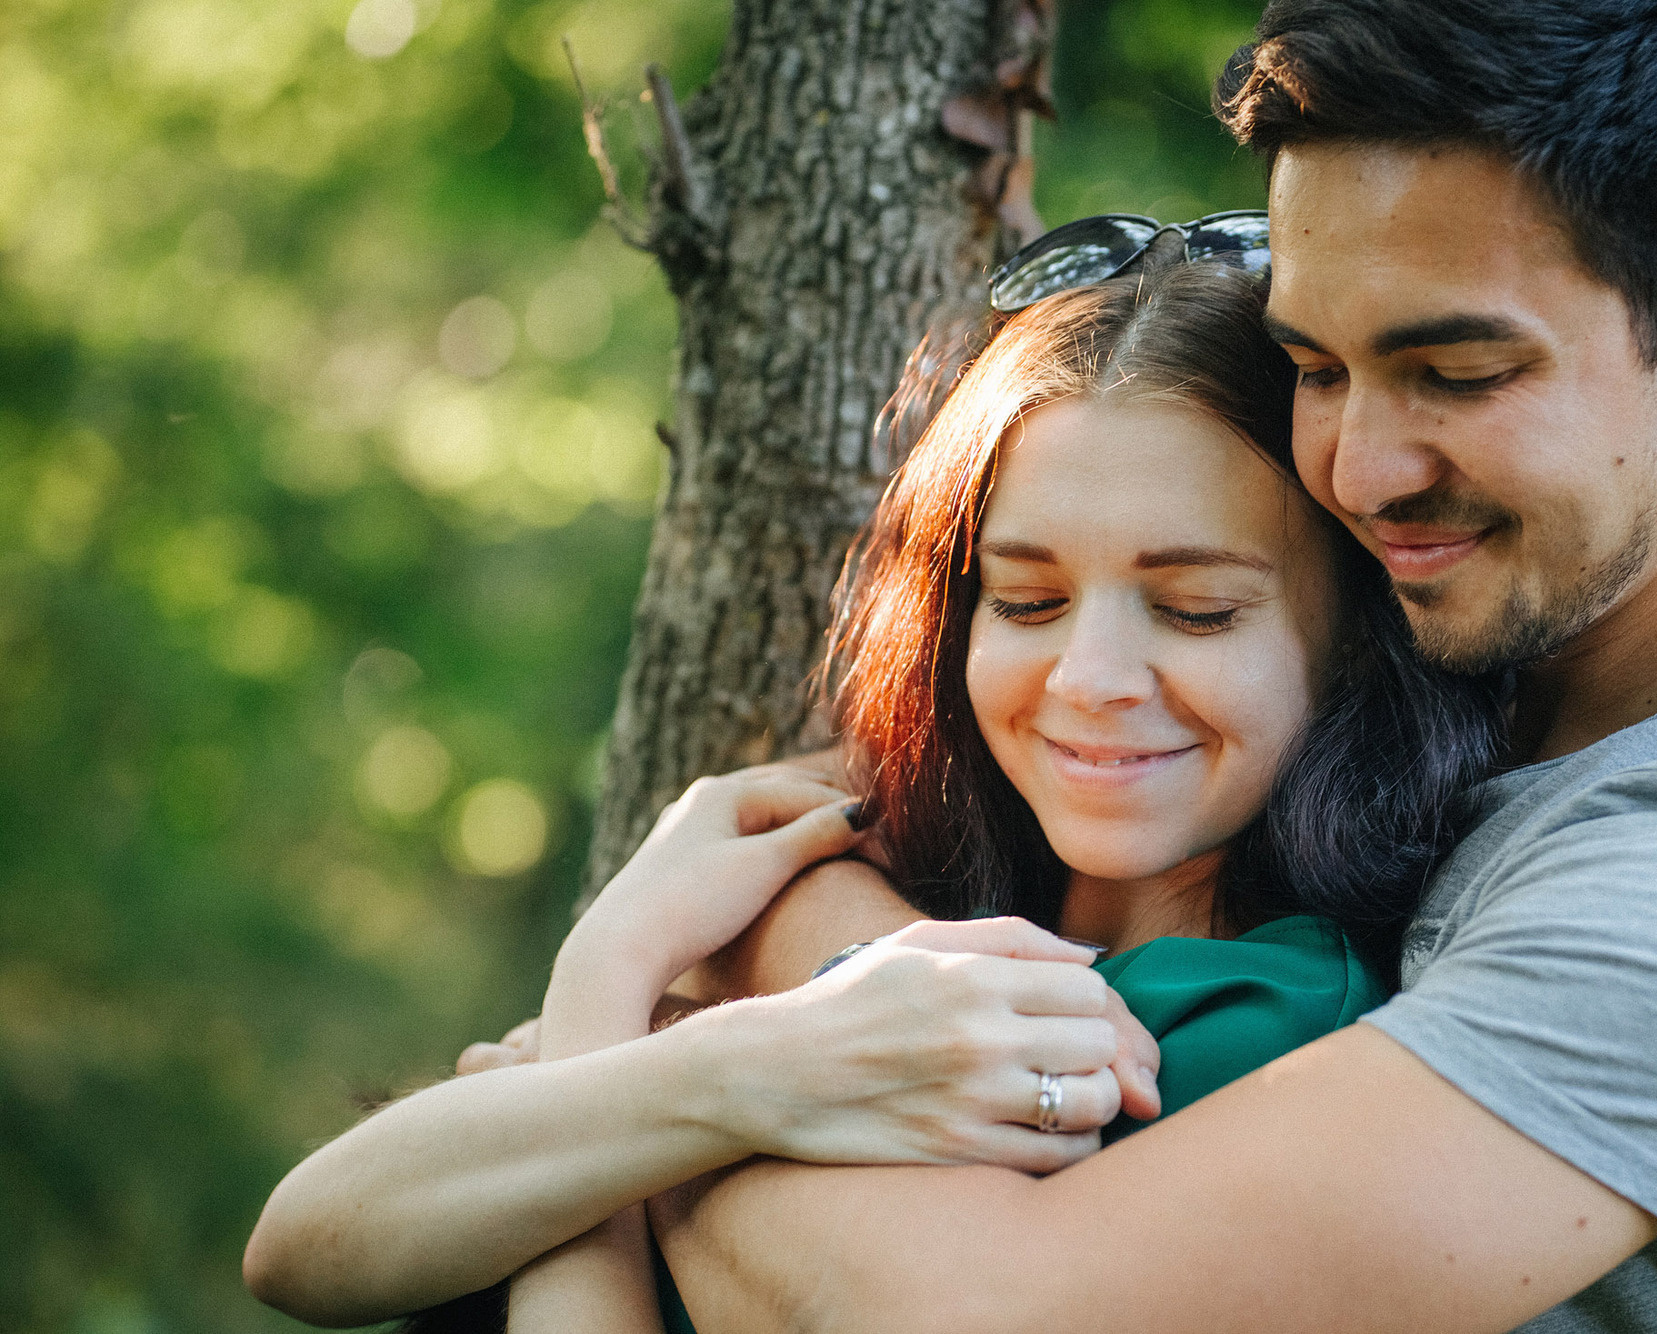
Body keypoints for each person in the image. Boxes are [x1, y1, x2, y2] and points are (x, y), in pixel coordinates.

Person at [622, 2, 1657, 1331]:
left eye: (1456, 372)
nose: (1356, 469)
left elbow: (950, 1312)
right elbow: (900, 781)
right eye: (1315, 367)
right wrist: (844, 951)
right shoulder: (1507, 620)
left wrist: (638, 1096)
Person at [244, 249, 1504, 1329]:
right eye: (1026, 600)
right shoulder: (898, 868)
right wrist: (660, 1006)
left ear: (1354, 635)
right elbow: (299, 1247)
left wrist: (615, 1054)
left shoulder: (1252, 1024)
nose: (1088, 677)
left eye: (1194, 609)